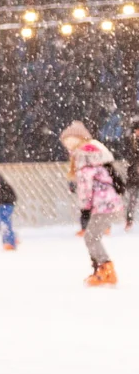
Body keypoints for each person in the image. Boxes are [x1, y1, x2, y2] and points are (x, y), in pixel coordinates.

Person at [60, 121, 121, 286]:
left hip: (103, 206)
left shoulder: (85, 164)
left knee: (91, 238)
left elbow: (85, 189)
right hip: (109, 205)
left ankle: (106, 270)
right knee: (92, 237)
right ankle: (101, 269)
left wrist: (85, 207)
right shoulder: (97, 162)